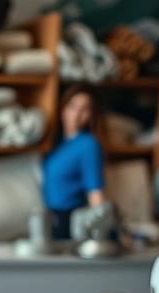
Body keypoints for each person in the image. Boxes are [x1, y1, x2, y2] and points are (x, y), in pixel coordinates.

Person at [42, 84, 106, 240]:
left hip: (69, 220)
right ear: (63, 109)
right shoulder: (56, 144)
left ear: (91, 115)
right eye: (72, 107)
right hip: (48, 216)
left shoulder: (88, 145)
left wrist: (102, 230)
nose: (77, 115)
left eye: (84, 109)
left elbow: (95, 192)